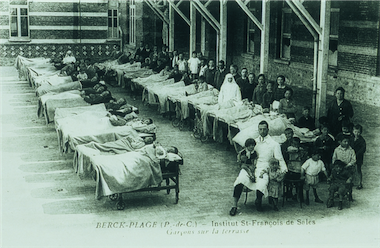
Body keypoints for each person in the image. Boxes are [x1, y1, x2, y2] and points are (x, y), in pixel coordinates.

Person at [253, 121, 288, 211]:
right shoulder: (255, 142)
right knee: (241, 179)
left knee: (262, 180)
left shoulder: (274, 144)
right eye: (260, 129)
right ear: (258, 130)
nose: (262, 131)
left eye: (264, 129)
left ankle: (258, 200)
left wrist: (284, 170)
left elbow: (279, 158)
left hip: (266, 167)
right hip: (255, 166)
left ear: (268, 130)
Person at [230, 138, 257, 216]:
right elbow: (242, 165)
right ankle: (234, 205)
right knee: (240, 181)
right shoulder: (242, 153)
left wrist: (253, 171)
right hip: (245, 170)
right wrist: (249, 172)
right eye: (249, 145)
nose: (251, 147)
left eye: (253, 145)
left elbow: (255, 164)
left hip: (254, 170)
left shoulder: (255, 153)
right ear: (246, 146)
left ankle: (258, 201)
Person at [352, 124, 366, 190]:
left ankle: (360, 183)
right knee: (351, 169)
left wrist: (356, 154)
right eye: (355, 132)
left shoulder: (362, 141)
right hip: (351, 156)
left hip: (358, 157)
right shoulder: (351, 138)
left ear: (360, 132)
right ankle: (351, 181)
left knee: (358, 169)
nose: (357, 133)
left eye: (358, 132)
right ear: (353, 131)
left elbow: (363, 149)